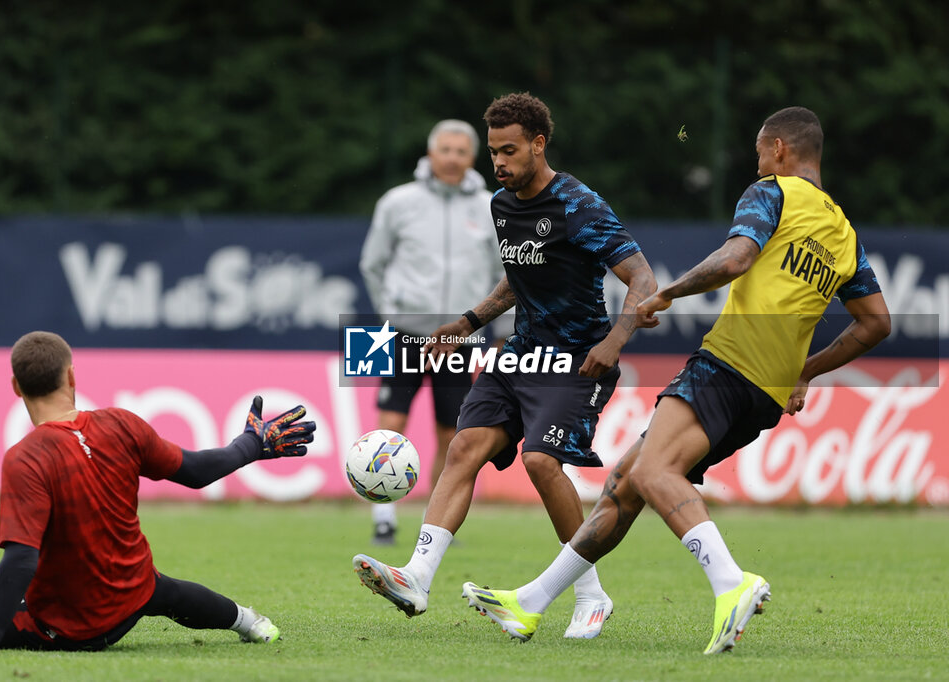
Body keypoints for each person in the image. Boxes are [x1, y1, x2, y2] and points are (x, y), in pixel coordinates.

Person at [460, 106, 891, 654]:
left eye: (760, 151)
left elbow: (736, 259)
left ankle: (732, 583)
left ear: (779, 148)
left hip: (728, 363)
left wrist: (669, 292)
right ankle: (531, 603)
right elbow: (876, 323)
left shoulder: (771, 192)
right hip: (766, 392)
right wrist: (805, 369)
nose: (758, 162)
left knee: (656, 472)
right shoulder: (844, 235)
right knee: (626, 483)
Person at [353, 92, 657, 640]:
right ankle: (417, 577)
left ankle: (591, 596)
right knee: (464, 447)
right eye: (493, 152)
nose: (498, 163)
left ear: (539, 145)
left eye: (509, 151)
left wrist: (616, 339)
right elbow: (518, 279)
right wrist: (467, 323)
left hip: (576, 359)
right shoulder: (502, 204)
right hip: (518, 352)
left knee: (540, 462)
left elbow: (642, 278)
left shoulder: (578, 205)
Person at [0, 330, 316, 653]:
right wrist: (252, 444)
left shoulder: (25, 457)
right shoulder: (121, 425)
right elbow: (197, 472)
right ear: (72, 377)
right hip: (133, 601)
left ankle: (247, 621)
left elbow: (22, 560)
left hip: (66, 629)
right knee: (164, 592)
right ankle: (251, 622)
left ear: (15, 386)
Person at [359, 119, 504, 545]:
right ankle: (382, 516)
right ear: (430, 153)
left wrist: (500, 328)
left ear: (472, 157)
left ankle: (434, 519)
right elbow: (373, 264)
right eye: (446, 150)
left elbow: (504, 272)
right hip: (402, 328)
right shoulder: (397, 202)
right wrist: (391, 310)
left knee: (452, 431)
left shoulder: (490, 206)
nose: (453, 158)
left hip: (462, 334)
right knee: (390, 422)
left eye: (461, 151)